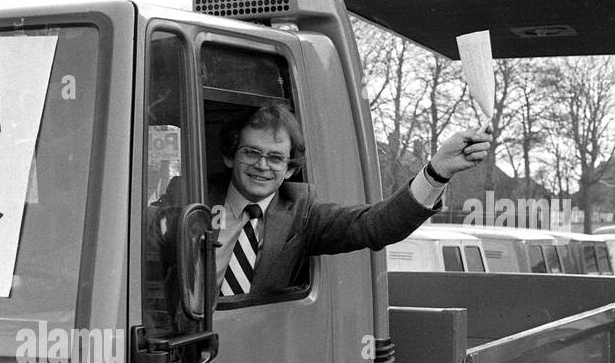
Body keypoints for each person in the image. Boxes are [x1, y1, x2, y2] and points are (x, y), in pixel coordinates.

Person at [208, 102, 491, 296]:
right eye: (251, 153)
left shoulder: (301, 213)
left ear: (290, 169)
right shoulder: (192, 200)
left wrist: (438, 171)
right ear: (230, 156)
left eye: (275, 158)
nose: (262, 165)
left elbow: (377, 225)